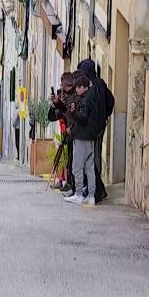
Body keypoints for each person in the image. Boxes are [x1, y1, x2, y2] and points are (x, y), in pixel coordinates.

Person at [77, 59, 114, 203]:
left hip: (94, 129)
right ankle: (96, 189)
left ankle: (98, 191)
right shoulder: (101, 84)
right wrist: (105, 116)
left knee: (92, 159)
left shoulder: (93, 87)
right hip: (99, 126)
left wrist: (101, 117)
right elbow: (111, 101)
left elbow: (108, 102)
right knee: (93, 158)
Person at [64, 76, 99, 205]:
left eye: (79, 87)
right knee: (89, 167)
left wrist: (73, 113)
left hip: (82, 136)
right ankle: (91, 196)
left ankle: (78, 194)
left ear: (85, 87)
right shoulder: (93, 97)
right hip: (91, 137)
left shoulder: (85, 100)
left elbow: (83, 118)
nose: (77, 90)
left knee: (77, 167)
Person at [48, 72, 77, 194]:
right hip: (65, 131)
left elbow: (69, 114)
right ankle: (67, 182)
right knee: (69, 159)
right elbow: (53, 116)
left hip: (73, 132)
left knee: (73, 161)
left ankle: (72, 186)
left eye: (62, 84)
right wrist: (54, 105)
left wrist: (59, 104)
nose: (60, 87)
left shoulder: (74, 97)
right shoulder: (64, 96)